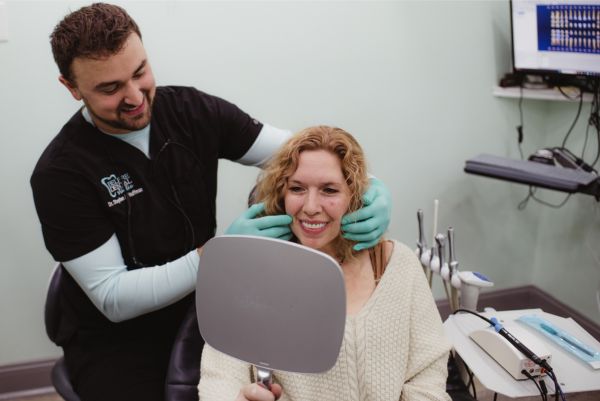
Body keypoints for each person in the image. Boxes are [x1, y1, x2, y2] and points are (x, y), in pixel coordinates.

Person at [30, 4, 392, 401]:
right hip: (117, 340)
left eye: (140, 72)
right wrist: (216, 256)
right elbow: (114, 299)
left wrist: (371, 187)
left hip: (212, 304)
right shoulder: (60, 174)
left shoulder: (192, 112)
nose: (135, 97)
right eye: (110, 88)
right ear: (71, 87)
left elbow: (301, 154)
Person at [198, 126, 451, 401]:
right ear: (281, 193)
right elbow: (220, 378)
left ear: (355, 196)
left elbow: (428, 372)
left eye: (329, 190)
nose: (310, 206)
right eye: (297, 188)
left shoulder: (395, 265)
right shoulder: (253, 276)